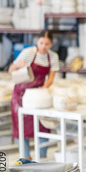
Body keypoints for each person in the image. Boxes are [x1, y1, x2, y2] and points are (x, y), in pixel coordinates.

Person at [9, 30, 59, 159]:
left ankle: (41, 157)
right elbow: (11, 70)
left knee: (43, 124)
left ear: (52, 44)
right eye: (41, 43)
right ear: (37, 41)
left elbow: (51, 78)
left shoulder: (53, 57)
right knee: (22, 127)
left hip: (38, 94)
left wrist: (43, 88)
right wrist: (18, 65)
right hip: (21, 94)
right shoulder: (29, 52)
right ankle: (25, 158)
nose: (43, 47)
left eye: (47, 44)